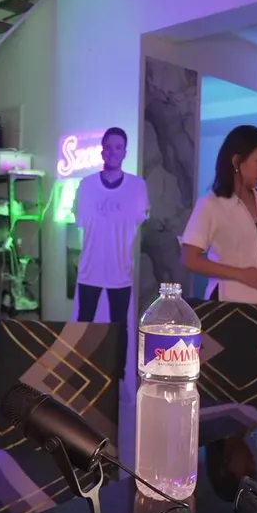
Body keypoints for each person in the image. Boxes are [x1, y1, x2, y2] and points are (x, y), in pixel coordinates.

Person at [180, 125, 257, 367]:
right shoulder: (211, 204)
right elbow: (190, 259)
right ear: (236, 160)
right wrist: (242, 274)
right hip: (227, 303)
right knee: (228, 372)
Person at [73, 127, 149, 375]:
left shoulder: (137, 187)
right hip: (90, 269)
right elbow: (80, 220)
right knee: (84, 325)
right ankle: (81, 374)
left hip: (120, 269)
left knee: (119, 327)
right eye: (109, 147)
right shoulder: (86, 186)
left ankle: (117, 377)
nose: (113, 152)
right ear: (102, 150)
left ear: (125, 152)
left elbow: (140, 218)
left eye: (119, 147)